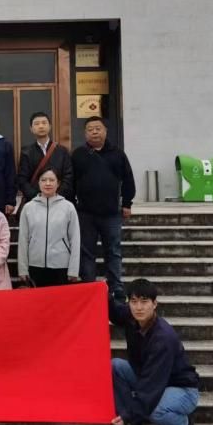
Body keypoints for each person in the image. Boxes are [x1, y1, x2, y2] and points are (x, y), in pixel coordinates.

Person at [104, 278, 200, 425]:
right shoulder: (132, 316)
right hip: (152, 378)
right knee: (115, 366)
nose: (139, 307)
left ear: (154, 304)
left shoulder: (162, 338)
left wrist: (129, 415)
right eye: (134, 301)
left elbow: (151, 385)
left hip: (182, 389)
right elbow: (116, 314)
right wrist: (104, 294)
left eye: (144, 302)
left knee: (155, 410)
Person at [71, 116, 136, 301]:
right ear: (85, 133)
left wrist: (127, 203)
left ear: (105, 131)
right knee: (87, 252)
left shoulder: (118, 154)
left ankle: (116, 287)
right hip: (85, 213)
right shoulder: (78, 155)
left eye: (98, 128)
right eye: (90, 129)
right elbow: (71, 181)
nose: (94, 132)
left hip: (111, 213)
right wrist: (72, 205)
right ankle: (89, 285)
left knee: (113, 251)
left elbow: (128, 179)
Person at [16, 168, 81, 287]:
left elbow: (75, 240)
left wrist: (73, 269)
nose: (48, 183)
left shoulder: (68, 207)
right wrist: (23, 268)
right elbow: (23, 240)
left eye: (51, 180)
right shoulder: (28, 208)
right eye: (43, 180)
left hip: (61, 266)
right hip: (35, 265)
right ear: (38, 182)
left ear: (58, 183)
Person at [17, 111, 74, 210]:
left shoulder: (62, 151)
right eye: (37, 124)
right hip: (35, 202)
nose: (41, 126)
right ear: (31, 129)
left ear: (50, 126)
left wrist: (57, 196)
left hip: (59, 202)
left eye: (44, 123)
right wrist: (37, 197)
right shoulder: (26, 152)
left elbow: (68, 176)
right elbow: (22, 179)